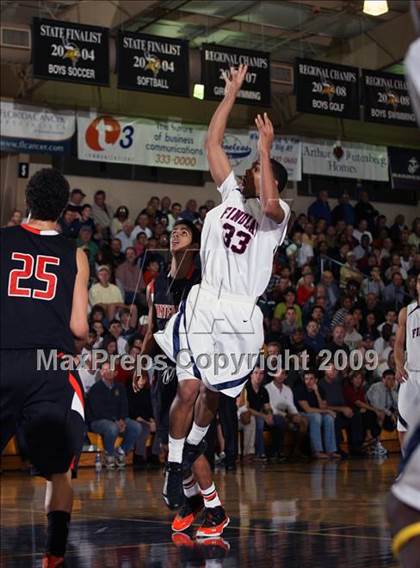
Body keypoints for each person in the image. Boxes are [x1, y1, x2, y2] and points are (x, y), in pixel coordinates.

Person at [153, 64, 290, 536]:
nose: (251, 172)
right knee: (187, 389)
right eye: (252, 168)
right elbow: (211, 144)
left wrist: (266, 152)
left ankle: (191, 454)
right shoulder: (231, 192)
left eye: (258, 170)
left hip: (240, 314)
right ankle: (176, 468)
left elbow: (270, 204)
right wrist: (230, 95)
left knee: (212, 396)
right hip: (206, 301)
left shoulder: (277, 217)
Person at [0, 168, 89, 567]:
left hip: (3, 355)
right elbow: (79, 328)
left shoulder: (2, 239)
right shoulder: (76, 254)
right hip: (49, 365)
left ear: (28, 203)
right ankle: (53, 557)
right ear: (64, 208)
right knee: (59, 471)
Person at [87, 361, 141, 469]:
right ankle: (109, 455)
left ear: (115, 373)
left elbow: (124, 405)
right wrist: (115, 421)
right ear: (101, 372)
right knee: (112, 428)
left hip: (118, 419)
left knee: (136, 427)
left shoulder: (120, 387)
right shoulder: (95, 389)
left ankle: (121, 451)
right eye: (105, 370)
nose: (108, 372)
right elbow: (97, 411)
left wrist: (121, 419)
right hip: (98, 421)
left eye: (111, 370)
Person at [395, 274, 420, 447]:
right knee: (402, 425)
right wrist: (398, 364)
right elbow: (398, 344)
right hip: (410, 374)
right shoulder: (407, 312)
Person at [293, 371, 339, 459]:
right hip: (302, 413)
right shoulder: (300, 389)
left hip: (317, 412)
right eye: (306, 379)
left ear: (316, 380)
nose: (308, 381)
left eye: (311, 379)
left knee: (329, 418)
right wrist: (327, 411)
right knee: (316, 416)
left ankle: (331, 451)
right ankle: (317, 451)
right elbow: (308, 409)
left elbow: (323, 407)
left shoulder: (320, 389)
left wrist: (317, 392)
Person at [265, 369, 308, 459]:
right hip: (273, 415)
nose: (280, 376)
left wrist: (296, 415)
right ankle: (278, 451)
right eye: (278, 373)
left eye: (283, 374)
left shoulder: (287, 389)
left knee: (303, 421)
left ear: (286, 376)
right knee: (283, 421)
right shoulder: (267, 388)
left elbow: (291, 405)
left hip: (287, 414)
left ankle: (296, 450)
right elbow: (271, 408)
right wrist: (286, 416)